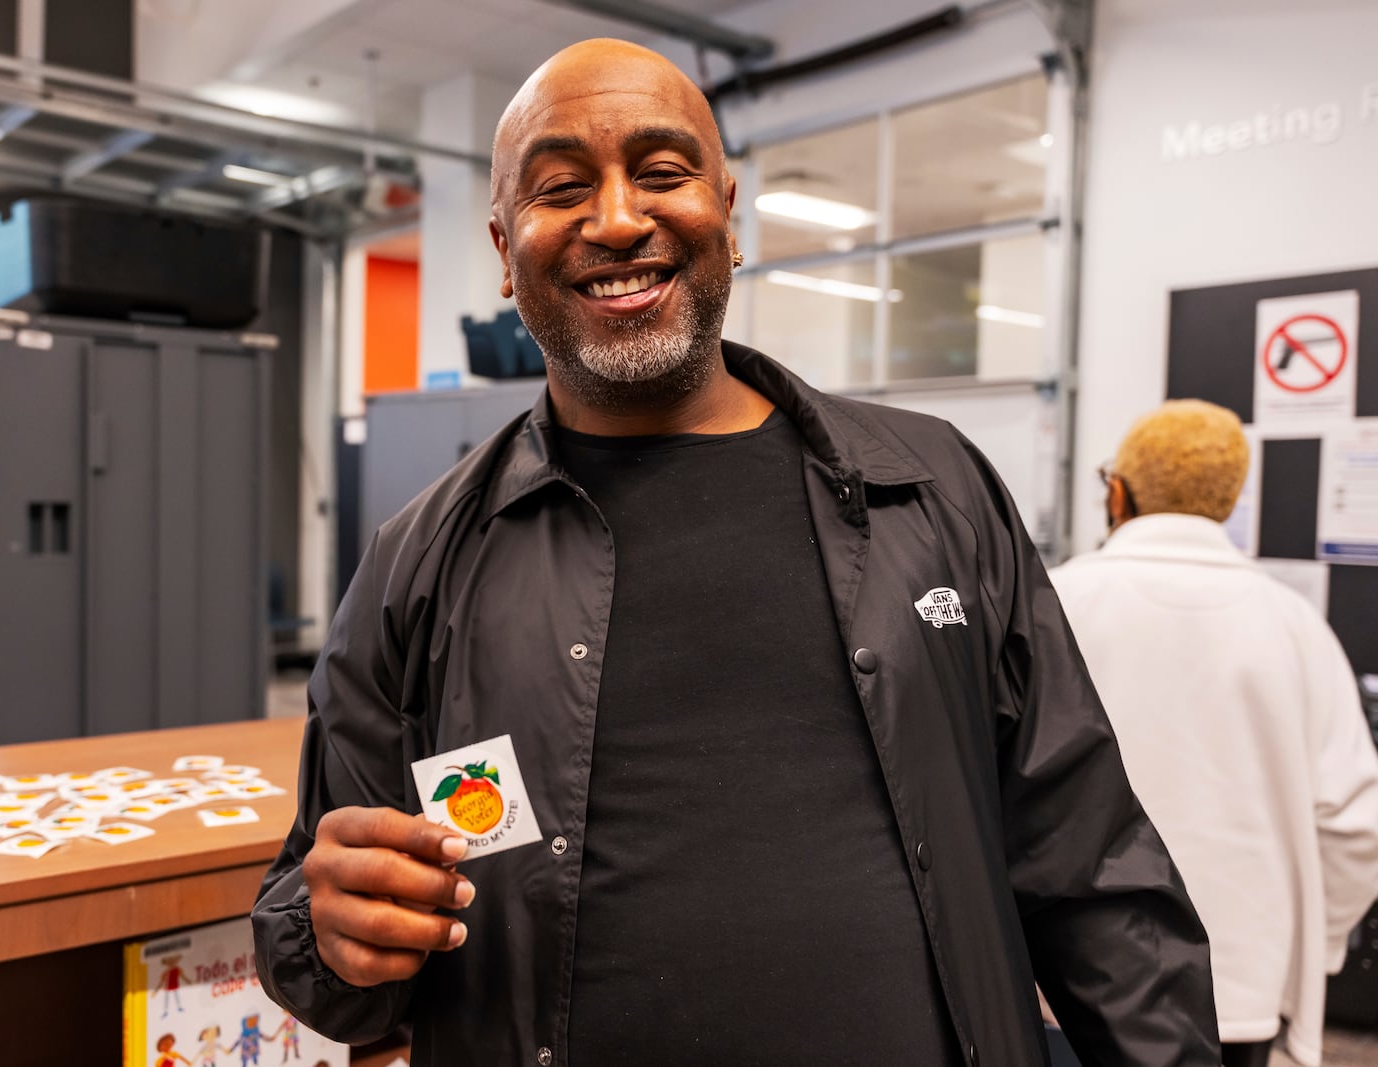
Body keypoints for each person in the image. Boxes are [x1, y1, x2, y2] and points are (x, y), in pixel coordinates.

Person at [253, 38, 1220, 1066]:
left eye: (662, 174)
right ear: (503, 247)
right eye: (561, 187)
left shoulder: (929, 490)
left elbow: (1090, 862)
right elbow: (306, 918)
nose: (618, 219)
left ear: (729, 212)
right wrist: (333, 935)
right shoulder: (423, 563)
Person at [1051, 400, 1378, 1067]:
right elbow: (1357, 824)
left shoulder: (1051, 603)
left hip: (1062, 974)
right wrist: (1316, 941)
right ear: (1226, 502)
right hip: (1238, 986)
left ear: (1116, 490)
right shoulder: (1294, 627)